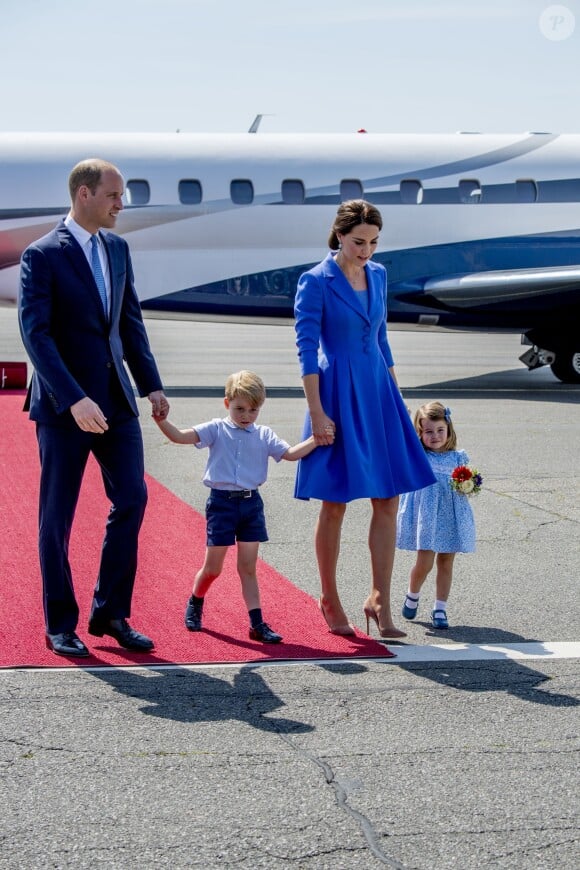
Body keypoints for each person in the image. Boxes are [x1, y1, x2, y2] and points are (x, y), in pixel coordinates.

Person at [18, 158, 169, 658]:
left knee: (132, 499)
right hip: (65, 409)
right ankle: (60, 623)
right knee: (56, 518)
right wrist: (73, 398)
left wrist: (152, 386)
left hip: (117, 403)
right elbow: (35, 336)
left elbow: (130, 323)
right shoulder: (41, 255)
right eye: (113, 195)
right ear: (84, 194)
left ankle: (110, 614)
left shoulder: (118, 248)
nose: (120, 204)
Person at [294, 200, 435, 639]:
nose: (367, 251)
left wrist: (397, 396)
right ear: (338, 236)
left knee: (388, 499)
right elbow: (306, 352)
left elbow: (382, 339)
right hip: (335, 393)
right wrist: (317, 413)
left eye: (374, 242)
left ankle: (379, 599)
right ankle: (329, 598)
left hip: (378, 392)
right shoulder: (314, 281)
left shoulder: (378, 275)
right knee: (335, 503)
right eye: (359, 242)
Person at [154, 370, 328, 643]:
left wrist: (316, 439)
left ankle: (257, 624)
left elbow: (290, 454)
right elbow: (179, 436)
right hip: (221, 504)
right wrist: (162, 421)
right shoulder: (216, 429)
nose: (246, 415)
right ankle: (196, 601)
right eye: (240, 409)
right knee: (213, 569)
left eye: (253, 410)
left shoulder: (264, 434)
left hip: (251, 505)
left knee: (248, 567)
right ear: (227, 404)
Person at [397, 402, 477, 629]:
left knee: (446, 562)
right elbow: (403, 441)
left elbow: (468, 483)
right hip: (428, 518)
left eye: (440, 430)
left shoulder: (459, 458)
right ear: (420, 434)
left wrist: (469, 484)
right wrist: (405, 416)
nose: (435, 436)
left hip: (451, 517)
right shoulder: (419, 455)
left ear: (449, 429)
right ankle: (412, 594)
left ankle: (440, 608)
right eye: (428, 432)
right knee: (424, 562)